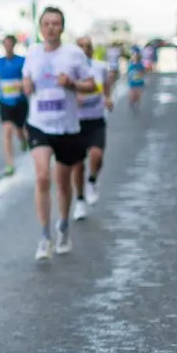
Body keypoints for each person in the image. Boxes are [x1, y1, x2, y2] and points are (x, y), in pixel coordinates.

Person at [22, 7, 96, 259]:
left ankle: (63, 225)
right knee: (43, 177)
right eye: (47, 23)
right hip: (39, 124)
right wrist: (26, 85)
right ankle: (44, 236)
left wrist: (72, 84)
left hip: (66, 126)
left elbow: (91, 85)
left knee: (63, 183)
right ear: (40, 27)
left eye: (56, 23)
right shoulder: (32, 53)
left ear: (62, 27)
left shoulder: (73, 54)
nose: (51, 27)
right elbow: (26, 82)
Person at [71, 35, 114, 220]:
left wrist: (108, 99)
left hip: (96, 119)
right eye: (80, 46)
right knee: (78, 164)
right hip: (76, 122)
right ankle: (80, 201)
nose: (84, 49)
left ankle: (92, 180)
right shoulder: (70, 69)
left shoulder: (99, 67)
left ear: (91, 49)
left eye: (87, 46)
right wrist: (73, 99)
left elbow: (106, 87)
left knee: (97, 156)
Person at [0, 34, 28, 176]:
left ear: (14, 45)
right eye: (5, 44)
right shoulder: (0, 61)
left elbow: (28, 77)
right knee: (7, 131)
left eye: (10, 44)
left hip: (19, 101)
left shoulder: (22, 61)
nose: (8, 47)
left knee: (20, 130)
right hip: (4, 101)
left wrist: (21, 84)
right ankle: (9, 164)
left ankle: (23, 140)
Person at [127, 46, 146, 111]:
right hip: (132, 82)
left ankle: (137, 105)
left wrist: (140, 74)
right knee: (132, 94)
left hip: (139, 82)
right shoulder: (130, 64)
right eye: (133, 55)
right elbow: (129, 72)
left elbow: (143, 71)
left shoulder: (140, 64)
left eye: (135, 55)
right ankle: (131, 102)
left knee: (138, 94)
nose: (134, 56)